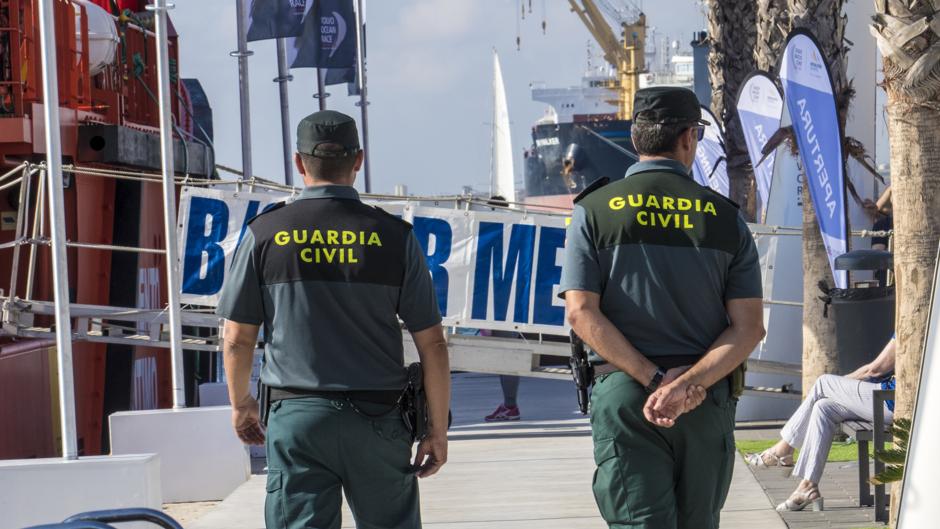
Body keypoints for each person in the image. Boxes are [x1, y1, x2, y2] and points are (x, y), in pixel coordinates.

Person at [218, 110, 451, 529]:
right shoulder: (395, 237)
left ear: (298, 162)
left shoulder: (264, 234)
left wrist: (241, 405)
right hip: (379, 420)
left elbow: (236, 339)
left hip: (297, 418)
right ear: (358, 160)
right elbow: (432, 343)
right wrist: (436, 427)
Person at [559, 86, 766, 529]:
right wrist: (685, 385)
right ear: (689, 138)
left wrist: (653, 380)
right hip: (703, 399)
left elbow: (580, 313)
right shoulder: (724, 219)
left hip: (625, 396)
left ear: (636, 139)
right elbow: (748, 328)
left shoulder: (594, 211)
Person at [746, 337, 897, 512]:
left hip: (890, 402)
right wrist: (840, 386)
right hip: (886, 398)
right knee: (823, 407)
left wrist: (838, 385)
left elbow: (875, 370)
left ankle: (783, 451)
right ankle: (807, 487)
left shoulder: (913, 319)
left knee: (824, 382)